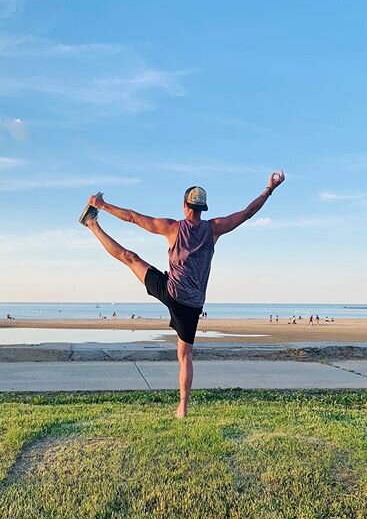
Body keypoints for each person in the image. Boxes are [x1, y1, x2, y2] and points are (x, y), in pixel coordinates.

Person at [79, 171, 285, 417]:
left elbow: (133, 218)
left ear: (184, 205)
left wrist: (101, 204)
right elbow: (246, 213)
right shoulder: (214, 228)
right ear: (203, 208)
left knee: (129, 257)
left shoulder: (172, 227)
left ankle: (92, 223)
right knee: (185, 355)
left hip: (170, 291)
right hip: (191, 305)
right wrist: (269, 189)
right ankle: (182, 408)